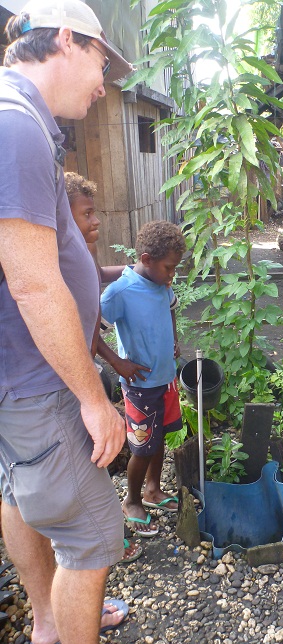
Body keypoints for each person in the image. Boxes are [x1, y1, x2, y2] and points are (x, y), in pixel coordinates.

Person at [0, 1, 134, 644]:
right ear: (64, 40)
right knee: (91, 535)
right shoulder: (15, 125)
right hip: (37, 381)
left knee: (17, 493)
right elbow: (30, 280)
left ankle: (48, 622)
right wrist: (92, 398)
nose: (103, 83)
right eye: (102, 61)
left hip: (13, 381)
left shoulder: (23, 120)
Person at [65, 172, 145, 564]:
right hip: (76, 368)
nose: (96, 221)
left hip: (90, 365)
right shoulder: (58, 260)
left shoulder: (84, 250)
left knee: (96, 449)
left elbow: (96, 279)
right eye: (87, 214)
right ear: (62, 216)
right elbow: (82, 331)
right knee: (84, 455)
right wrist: (115, 362)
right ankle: (97, 538)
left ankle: (103, 528)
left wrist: (135, 271)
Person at [101, 221, 186, 537]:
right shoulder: (120, 291)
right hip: (139, 386)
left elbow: (171, 308)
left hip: (164, 379)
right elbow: (91, 332)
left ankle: (153, 490)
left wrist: (174, 339)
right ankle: (132, 500)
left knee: (159, 437)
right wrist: (117, 363)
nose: (172, 274)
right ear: (147, 259)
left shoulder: (162, 284)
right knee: (141, 447)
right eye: (169, 267)